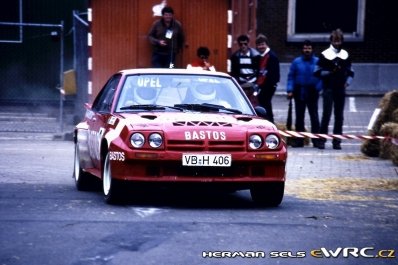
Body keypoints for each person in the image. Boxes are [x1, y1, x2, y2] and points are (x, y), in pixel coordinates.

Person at [314, 29, 354, 150]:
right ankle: (322, 140)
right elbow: (316, 71)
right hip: (328, 88)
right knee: (326, 114)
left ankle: (337, 142)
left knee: (339, 116)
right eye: (335, 41)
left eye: (339, 41)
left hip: (340, 90)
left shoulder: (345, 55)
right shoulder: (324, 54)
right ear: (331, 40)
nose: (337, 43)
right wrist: (330, 72)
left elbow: (351, 72)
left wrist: (347, 83)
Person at [287, 40, 322, 148]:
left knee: (314, 117)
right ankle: (299, 140)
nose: (307, 50)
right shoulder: (296, 62)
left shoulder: (318, 61)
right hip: (299, 91)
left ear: (312, 49)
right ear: (302, 49)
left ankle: (316, 140)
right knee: (299, 117)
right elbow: (291, 76)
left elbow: (322, 77)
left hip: (312, 92)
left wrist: (318, 88)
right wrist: (290, 90)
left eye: (309, 48)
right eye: (305, 48)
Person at [255, 34, 280, 123]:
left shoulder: (272, 57)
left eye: (262, 44)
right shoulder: (260, 57)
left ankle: (270, 123)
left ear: (267, 44)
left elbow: (274, 75)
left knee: (266, 107)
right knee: (264, 106)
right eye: (259, 45)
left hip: (268, 87)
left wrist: (267, 86)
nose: (261, 47)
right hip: (262, 86)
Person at [230, 35, 261, 105]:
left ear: (248, 44)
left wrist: (257, 84)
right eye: (241, 44)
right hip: (241, 83)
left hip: (253, 83)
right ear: (239, 45)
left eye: (245, 44)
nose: (243, 46)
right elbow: (234, 72)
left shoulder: (256, 56)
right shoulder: (235, 57)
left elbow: (259, 71)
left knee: (254, 103)